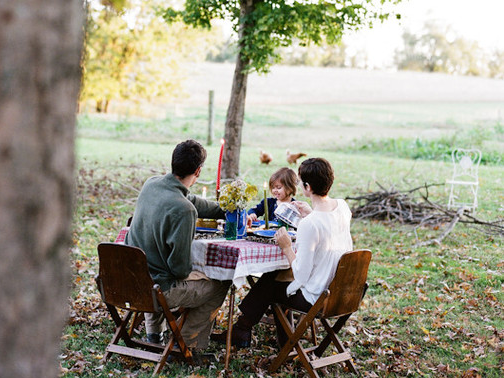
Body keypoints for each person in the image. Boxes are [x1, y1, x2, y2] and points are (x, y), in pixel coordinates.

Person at [214, 156, 352, 348]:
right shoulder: (343, 207)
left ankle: (244, 328)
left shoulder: (309, 225)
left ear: (307, 187)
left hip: (317, 295)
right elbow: (326, 225)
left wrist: (287, 247)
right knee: (274, 277)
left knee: (271, 281)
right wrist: (311, 213)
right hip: (342, 292)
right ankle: (276, 339)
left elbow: (300, 276)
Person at [125, 139, 229, 356]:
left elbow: (191, 199)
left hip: (132, 282)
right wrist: (197, 274)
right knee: (219, 283)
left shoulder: (151, 184)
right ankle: (185, 342)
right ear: (198, 171)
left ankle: (154, 333)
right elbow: (179, 270)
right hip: (158, 290)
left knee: (154, 264)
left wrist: (224, 210)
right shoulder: (184, 210)